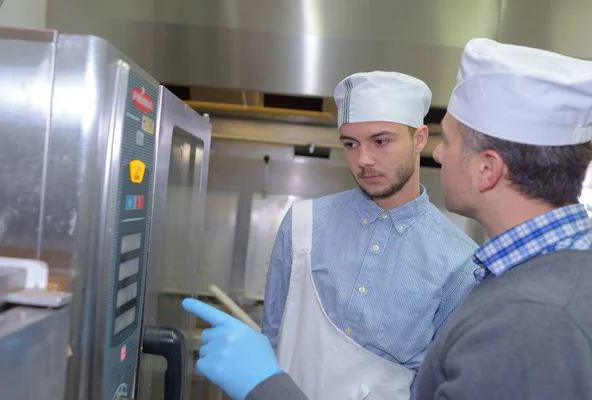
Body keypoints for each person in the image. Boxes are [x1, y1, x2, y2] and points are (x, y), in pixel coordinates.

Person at [182, 38, 592, 400]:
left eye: (447, 141)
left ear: (488, 169)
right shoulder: (516, 280)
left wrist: (264, 385)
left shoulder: (531, 308)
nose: (439, 154)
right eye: (350, 143)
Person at [261, 71, 479, 399]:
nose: (363, 160)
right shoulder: (303, 224)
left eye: (381, 141)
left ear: (419, 139)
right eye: (350, 144)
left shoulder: (459, 261)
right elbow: (272, 339)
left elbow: (436, 384)